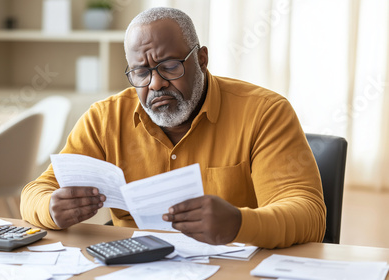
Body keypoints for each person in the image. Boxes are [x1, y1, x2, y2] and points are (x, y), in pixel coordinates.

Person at [20, 7, 326, 249]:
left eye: (168, 66)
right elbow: (35, 192)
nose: (155, 84)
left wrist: (239, 223)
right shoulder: (104, 119)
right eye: (141, 72)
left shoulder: (264, 112)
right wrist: (51, 208)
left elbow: (308, 214)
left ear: (202, 59)